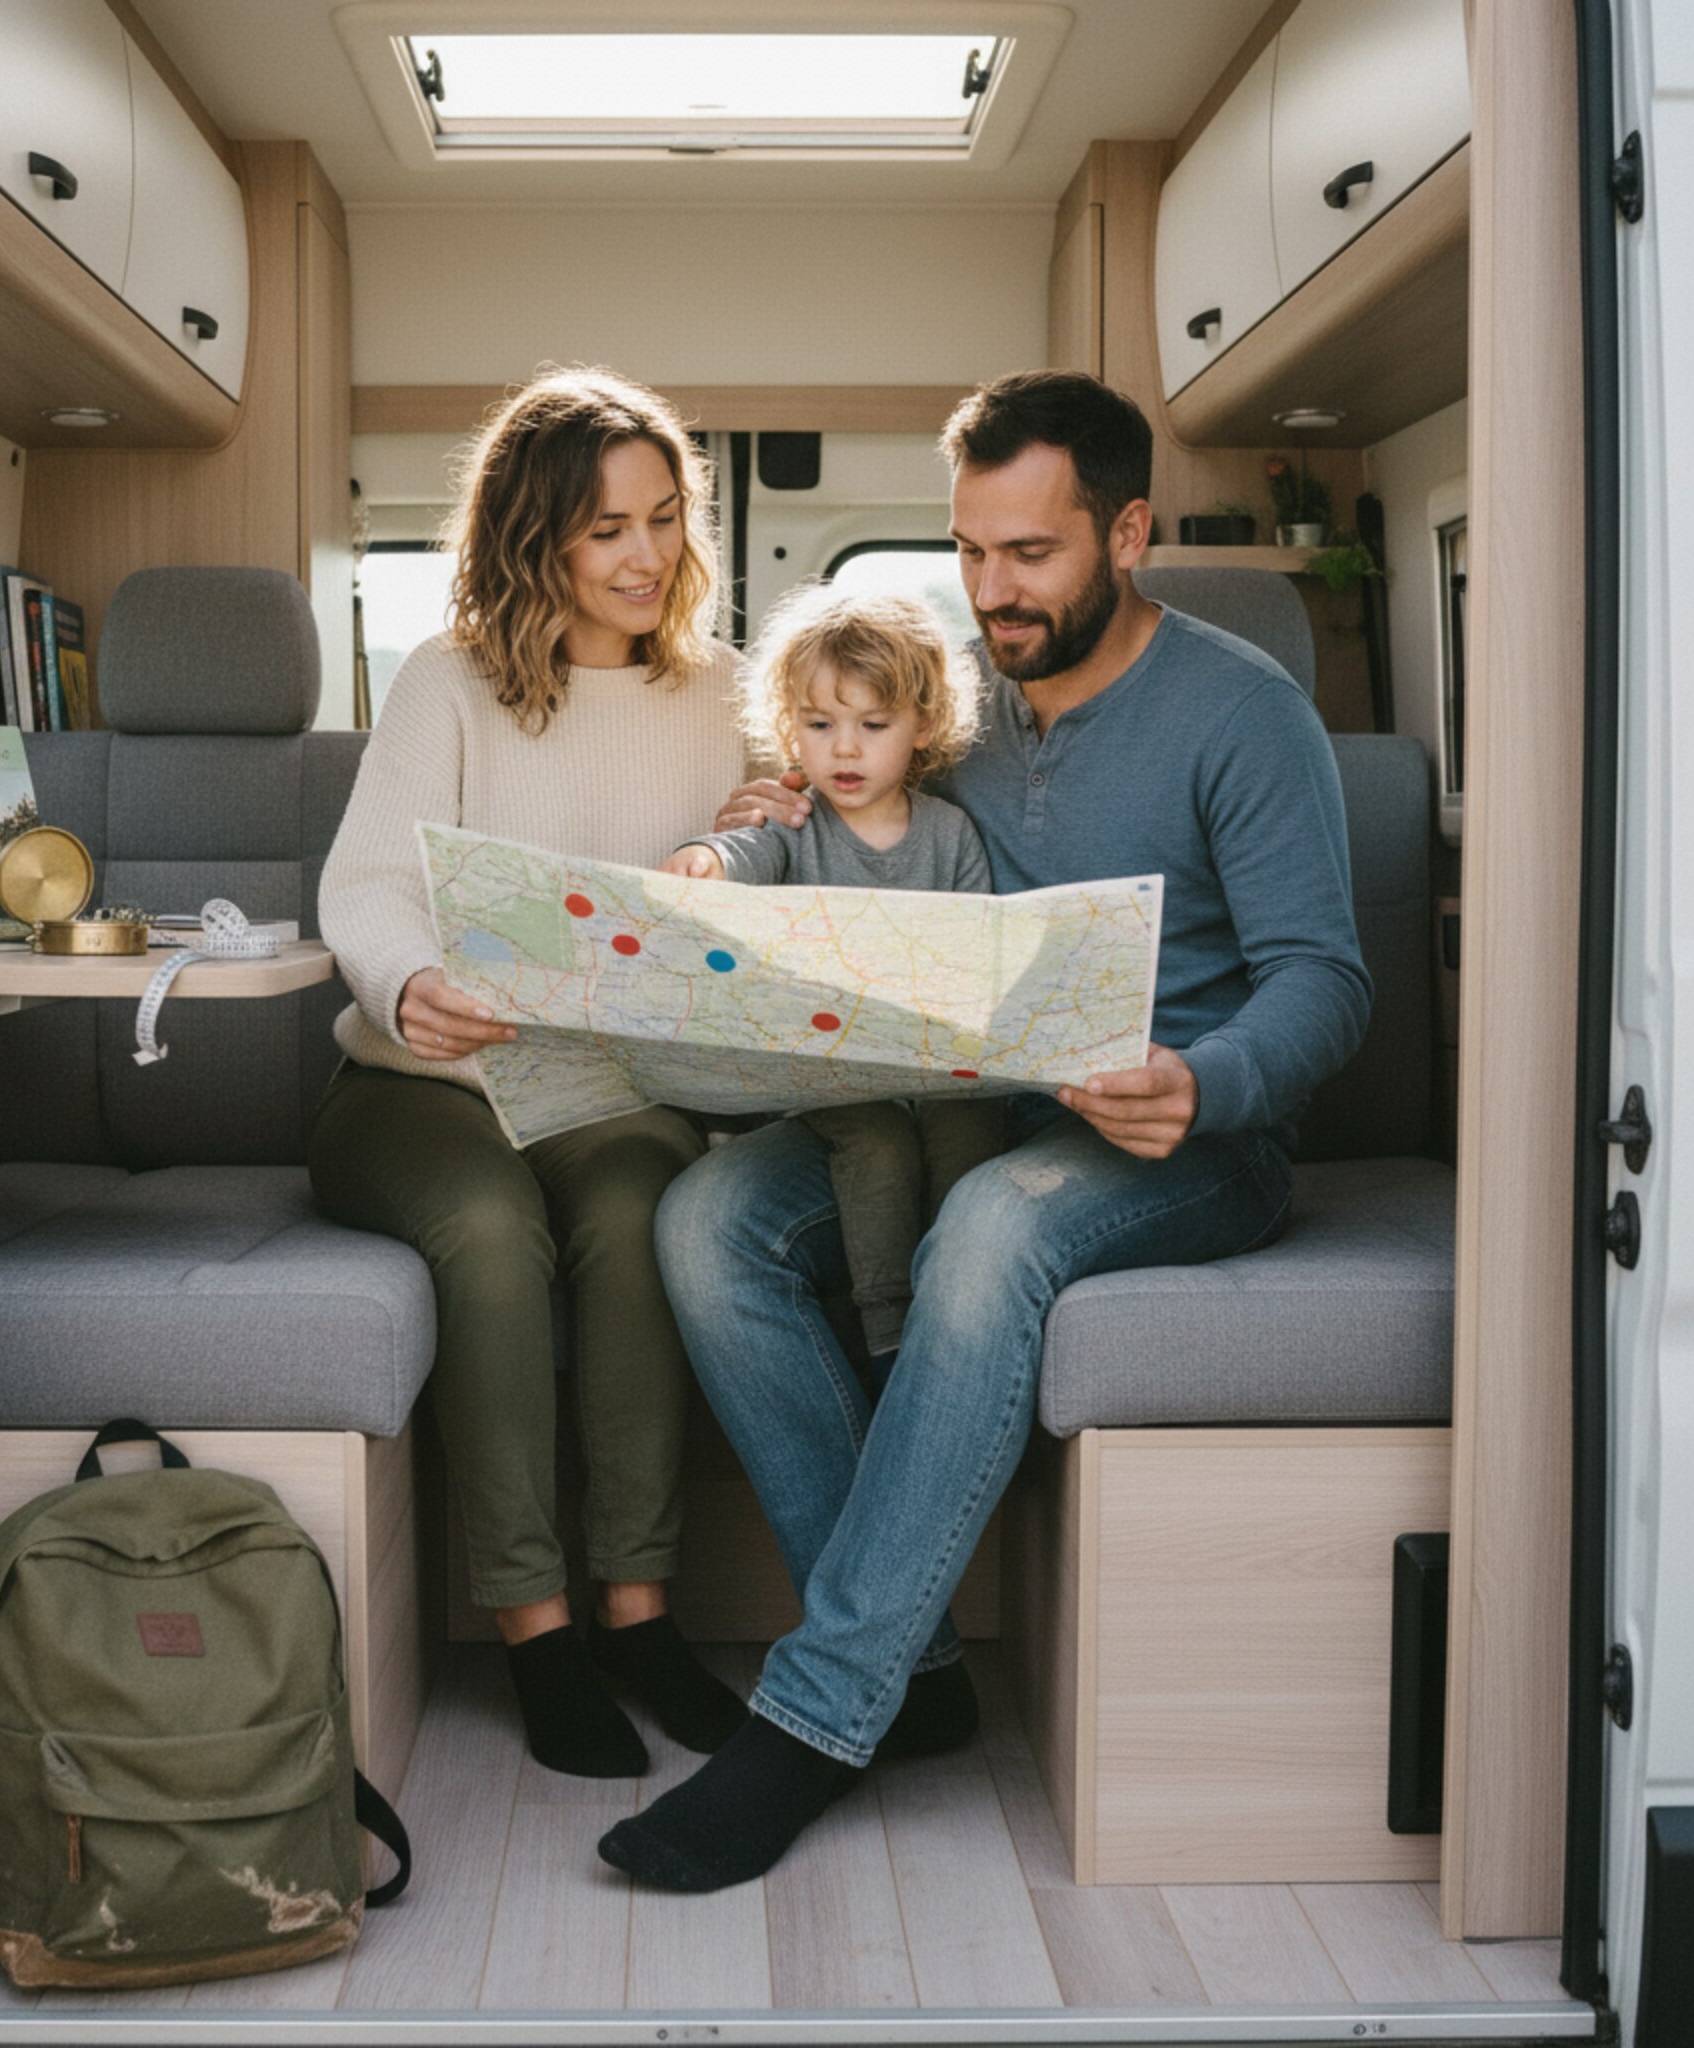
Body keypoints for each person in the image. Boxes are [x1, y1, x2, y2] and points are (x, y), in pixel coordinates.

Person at [600, 369, 1373, 1889]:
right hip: (955, 1104)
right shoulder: (956, 695)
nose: (993, 593)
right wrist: (766, 816)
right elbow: (850, 805)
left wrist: (1204, 1084)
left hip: (1177, 1141)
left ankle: (818, 1717)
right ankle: (924, 1673)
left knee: (992, 1227)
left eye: (1032, 554)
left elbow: (1325, 981)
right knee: (700, 1223)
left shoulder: (1242, 713)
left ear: (1129, 532)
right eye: (968, 552)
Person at [312, 368, 747, 1778]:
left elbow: (793, 848)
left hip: (609, 1090)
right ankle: (537, 1629)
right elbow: (367, 886)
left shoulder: (725, 693)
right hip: (420, 1090)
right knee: (493, 1241)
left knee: (640, 1222)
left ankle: (637, 1610)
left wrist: (775, 820)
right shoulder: (450, 681)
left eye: (664, 520)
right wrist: (413, 982)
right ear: (535, 537)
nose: (643, 556)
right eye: (605, 528)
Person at [658, 581, 1004, 1362]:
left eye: (873, 725)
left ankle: (953, 1304)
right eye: (820, 725)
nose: (844, 748)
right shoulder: (793, 822)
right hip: (831, 1070)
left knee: (969, 1126)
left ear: (923, 728)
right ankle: (888, 1332)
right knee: (877, 1144)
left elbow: (979, 949)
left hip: (936, 1065)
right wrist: (705, 858)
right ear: (791, 730)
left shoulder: (950, 837)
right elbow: (744, 854)